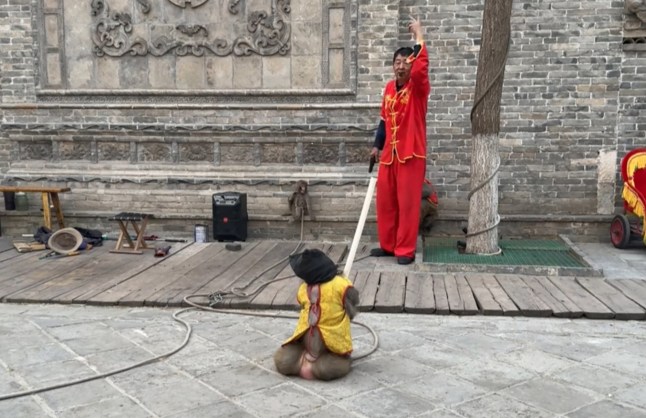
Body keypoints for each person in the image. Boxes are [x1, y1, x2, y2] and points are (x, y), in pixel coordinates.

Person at [370, 17, 430, 265]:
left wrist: (419, 36)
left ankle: (405, 250)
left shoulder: (418, 88)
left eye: (405, 62)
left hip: (411, 154)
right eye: (397, 62)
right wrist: (377, 145)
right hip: (389, 155)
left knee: (407, 205)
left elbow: (420, 69)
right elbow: (384, 119)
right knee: (386, 202)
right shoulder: (388, 88)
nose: (401, 66)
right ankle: (389, 245)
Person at [273, 249, 360, 380]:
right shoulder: (303, 289)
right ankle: (306, 355)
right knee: (284, 362)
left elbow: (353, 305)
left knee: (324, 369)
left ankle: (331, 361)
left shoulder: (341, 286)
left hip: (330, 346)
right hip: (305, 340)